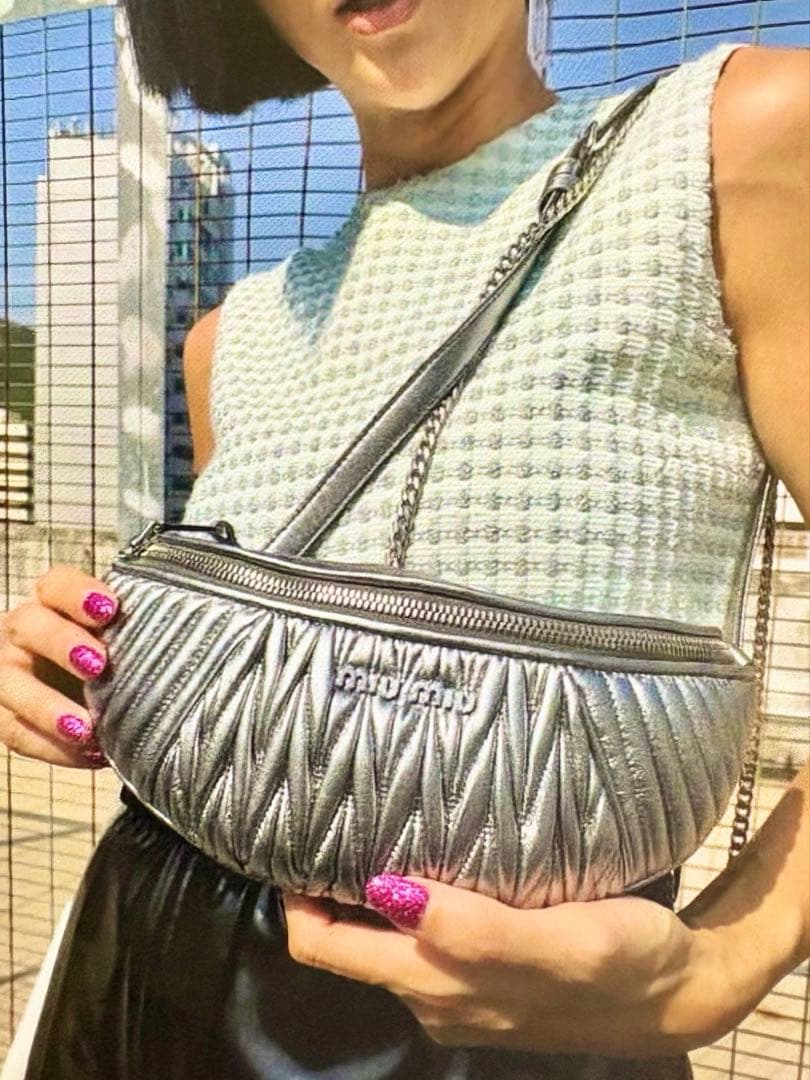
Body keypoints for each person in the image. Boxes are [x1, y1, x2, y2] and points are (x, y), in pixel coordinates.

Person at [1, 2, 807, 1077]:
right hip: (138, 968)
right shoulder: (229, 337)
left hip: (511, 1035)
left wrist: (724, 964)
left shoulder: (738, 138)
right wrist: (101, 666)